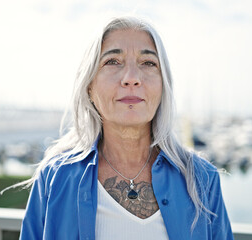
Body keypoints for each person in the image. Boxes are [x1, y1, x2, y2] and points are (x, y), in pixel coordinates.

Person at [18, 16, 234, 239]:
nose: (131, 78)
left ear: (163, 86)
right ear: (90, 86)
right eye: (113, 62)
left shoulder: (202, 179)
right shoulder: (54, 178)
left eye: (148, 63)